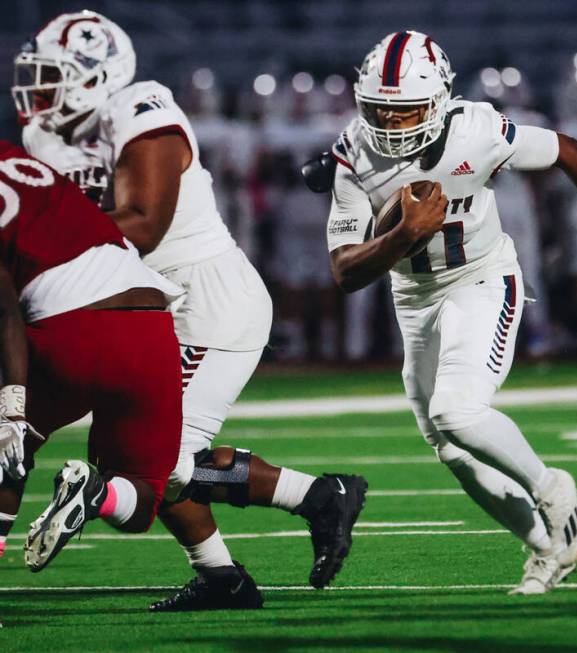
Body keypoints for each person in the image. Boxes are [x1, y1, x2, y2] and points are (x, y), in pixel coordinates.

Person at [10, 11, 366, 610]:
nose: (38, 94)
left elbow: (145, 223)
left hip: (202, 301)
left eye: (53, 77)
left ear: (97, 77)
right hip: (118, 307)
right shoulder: (43, 141)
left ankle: (318, 496)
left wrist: (47, 253)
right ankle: (226, 577)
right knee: (118, 454)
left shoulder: (142, 110)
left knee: (159, 461)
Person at [317, 30, 577, 594]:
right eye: (380, 112)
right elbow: (345, 272)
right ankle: (546, 548)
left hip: (483, 278)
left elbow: (566, 149)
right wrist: (405, 236)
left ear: (439, 100)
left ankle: (550, 485)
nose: (391, 127)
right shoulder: (354, 154)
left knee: (457, 413)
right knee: (450, 447)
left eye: (406, 112)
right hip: (413, 298)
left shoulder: (478, 129)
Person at [0, 140, 182, 572]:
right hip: (150, 319)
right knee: (143, 497)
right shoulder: (13, 155)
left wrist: (11, 407)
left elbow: (5, 307)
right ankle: (98, 494)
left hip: (72, 326)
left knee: (9, 451)